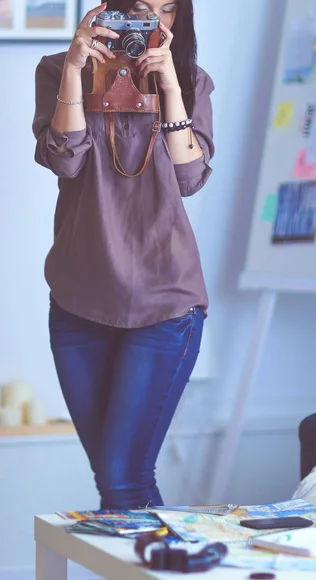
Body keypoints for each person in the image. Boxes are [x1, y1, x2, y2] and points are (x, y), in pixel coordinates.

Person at [32, 0, 214, 510]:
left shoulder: (192, 81)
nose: (155, 22)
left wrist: (172, 89)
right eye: (140, 10)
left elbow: (190, 177)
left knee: (122, 475)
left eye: (168, 11)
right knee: (118, 478)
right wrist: (74, 69)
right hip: (79, 303)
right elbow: (65, 158)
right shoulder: (57, 70)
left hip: (165, 303)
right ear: (109, 12)